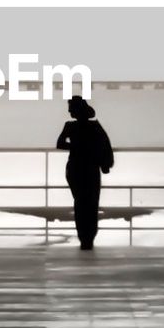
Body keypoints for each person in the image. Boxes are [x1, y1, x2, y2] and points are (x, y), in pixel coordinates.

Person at [55, 95, 114, 250]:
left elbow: (60, 144)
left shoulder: (70, 126)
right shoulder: (94, 127)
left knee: (80, 203)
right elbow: (105, 145)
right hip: (90, 168)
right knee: (91, 203)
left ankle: (84, 237)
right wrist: (104, 164)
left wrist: (75, 147)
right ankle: (89, 237)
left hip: (75, 168)